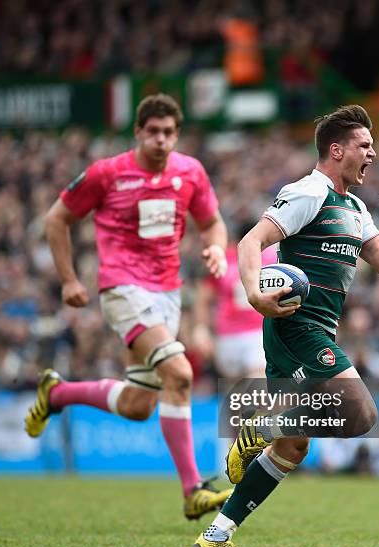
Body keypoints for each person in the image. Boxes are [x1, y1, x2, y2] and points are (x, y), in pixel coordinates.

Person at [190, 104, 379, 547]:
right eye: (364, 145)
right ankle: (259, 427)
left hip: (315, 330)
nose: (373, 152)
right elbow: (251, 243)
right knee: (361, 412)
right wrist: (253, 293)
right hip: (296, 325)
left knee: (293, 446)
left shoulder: (354, 207)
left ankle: (215, 537)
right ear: (337, 150)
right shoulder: (307, 192)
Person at [24, 93, 232, 520]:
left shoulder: (190, 171)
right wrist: (68, 279)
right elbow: (56, 219)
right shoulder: (107, 173)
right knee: (180, 372)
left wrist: (215, 248)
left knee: (140, 405)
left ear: (177, 135)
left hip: (168, 293)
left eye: (169, 133)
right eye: (153, 132)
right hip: (122, 288)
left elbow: (212, 222)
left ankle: (58, 392)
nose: (161, 140)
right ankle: (193, 489)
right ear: (138, 132)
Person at [192, 225, 278, 382]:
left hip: (258, 332)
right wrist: (201, 329)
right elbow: (203, 297)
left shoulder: (268, 257)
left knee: (257, 382)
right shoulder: (269, 257)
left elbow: (203, 298)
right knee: (235, 392)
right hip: (228, 336)